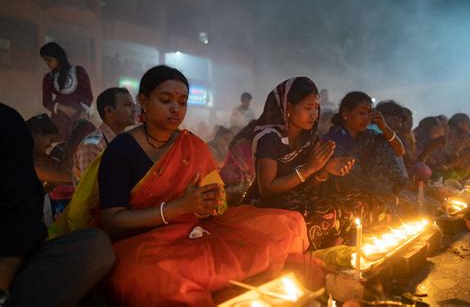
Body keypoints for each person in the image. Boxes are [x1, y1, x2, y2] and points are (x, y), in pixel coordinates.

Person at [69, 66, 308, 306]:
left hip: (191, 232)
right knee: (146, 278)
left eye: (182, 103)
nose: (175, 109)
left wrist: (206, 205)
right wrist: (177, 207)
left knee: (285, 225)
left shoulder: (192, 145)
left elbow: (217, 205)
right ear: (144, 101)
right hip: (141, 242)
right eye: (165, 100)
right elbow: (112, 220)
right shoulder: (122, 149)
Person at [0, 103, 115, 307]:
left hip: (19, 251)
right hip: (12, 257)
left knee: (94, 245)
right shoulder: (92, 143)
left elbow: (22, 212)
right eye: (49, 140)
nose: (50, 144)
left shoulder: (9, 123)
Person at [243, 77, 358, 249]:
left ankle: (333, 248)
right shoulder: (269, 138)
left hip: (297, 200)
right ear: (288, 107)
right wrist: (309, 167)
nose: (314, 114)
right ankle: (320, 251)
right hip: (266, 206)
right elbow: (266, 189)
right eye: (308, 108)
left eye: (316, 108)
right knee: (317, 217)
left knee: (351, 206)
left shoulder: (309, 138)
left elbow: (310, 186)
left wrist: (324, 171)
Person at [323, 92, 408, 196]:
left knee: (384, 145)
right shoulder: (332, 140)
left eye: (369, 113)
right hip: (343, 196)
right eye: (362, 113)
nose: (366, 118)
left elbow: (400, 151)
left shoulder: (370, 136)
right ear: (345, 114)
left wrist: (384, 127)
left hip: (374, 194)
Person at [73, 87, 136, 187]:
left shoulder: (128, 141)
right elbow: (92, 191)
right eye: (128, 105)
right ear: (109, 111)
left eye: (133, 105)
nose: (134, 110)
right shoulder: (91, 146)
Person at [40, 42, 93, 140]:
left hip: (79, 117)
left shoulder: (79, 71)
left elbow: (88, 95)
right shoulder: (48, 78)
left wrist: (82, 114)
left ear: (58, 57)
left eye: (49, 59)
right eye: (45, 60)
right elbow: (46, 101)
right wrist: (62, 107)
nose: (47, 63)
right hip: (59, 120)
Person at [25, 114, 71, 185]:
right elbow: (49, 173)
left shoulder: (39, 155)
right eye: (50, 140)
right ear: (38, 133)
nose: (49, 146)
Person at [220, 120, 257, 205]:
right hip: (234, 186)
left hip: (230, 184)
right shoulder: (244, 145)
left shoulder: (241, 142)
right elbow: (250, 170)